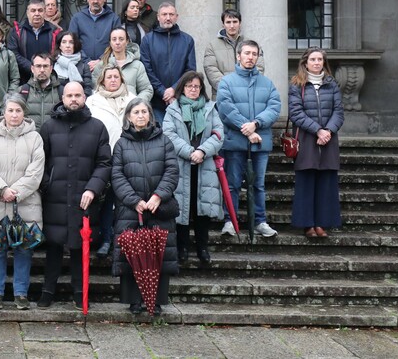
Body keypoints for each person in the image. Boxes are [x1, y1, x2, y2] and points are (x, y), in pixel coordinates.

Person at [36, 81, 111, 309]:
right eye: (69, 95)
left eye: (78, 95)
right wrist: (46, 185)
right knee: (54, 246)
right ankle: (48, 290)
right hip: (55, 197)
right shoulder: (49, 127)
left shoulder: (97, 127)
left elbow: (104, 163)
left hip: (83, 197)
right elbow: (40, 161)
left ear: (84, 98)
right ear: (63, 98)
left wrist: (92, 188)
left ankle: (80, 291)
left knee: (80, 245)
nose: (74, 99)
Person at [111, 98, 180, 316]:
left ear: (150, 115)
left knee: (158, 255)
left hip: (159, 208)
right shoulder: (121, 144)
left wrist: (158, 196)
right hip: (130, 209)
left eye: (144, 111)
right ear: (128, 117)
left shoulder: (164, 141)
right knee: (132, 254)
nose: (140, 116)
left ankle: (155, 301)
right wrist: (134, 200)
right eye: (136, 112)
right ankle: (134, 300)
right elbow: (117, 175)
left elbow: (172, 170)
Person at [0, 94, 44, 310]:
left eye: (18, 110)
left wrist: (17, 191)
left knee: (23, 249)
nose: (14, 115)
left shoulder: (35, 138)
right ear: (3, 112)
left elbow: (36, 170)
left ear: (24, 113)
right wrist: (2, 189)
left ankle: (21, 293)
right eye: (10, 110)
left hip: (25, 203)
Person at [216, 39, 281, 239]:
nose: (250, 57)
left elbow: (274, 107)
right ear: (238, 56)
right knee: (233, 184)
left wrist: (256, 124)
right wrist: (248, 128)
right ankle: (230, 220)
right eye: (247, 53)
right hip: (235, 142)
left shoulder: (267, 83)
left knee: (258, 184)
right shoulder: (226, 82)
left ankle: (260, 221)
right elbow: (226, 109)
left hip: (260, 143)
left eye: (254, 54)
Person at [163, 71, 224, 266]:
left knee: (202, 208)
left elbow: (218, 134)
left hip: (204, 165)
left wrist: (202, 151)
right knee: (182, 207)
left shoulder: (210, 108)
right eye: (189, 86)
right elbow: (169, 135)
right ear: (182, 88)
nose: (193, 89)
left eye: (197, 86)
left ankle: (202, 247)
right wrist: (190, 152)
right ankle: (182, 247)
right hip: (181, 165)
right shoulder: (173, 110)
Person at [289, 48, 344, 238]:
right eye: (313, 59)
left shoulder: (332, 84)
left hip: (328, 139)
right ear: (305, 62)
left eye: (320, 59)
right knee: (306, 181)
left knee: (326, 182)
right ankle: (307, 224)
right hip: (306, 139)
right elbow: (296, 113)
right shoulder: (297, 84)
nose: (317, 62)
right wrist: (317, 130)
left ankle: (322, 223)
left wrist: (328, 130)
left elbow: (338, 112)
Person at [84, 64, 133, 256]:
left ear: (121, 79)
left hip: (129, 158)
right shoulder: (92, 101)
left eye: (116, 76)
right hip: (104, 158)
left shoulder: (132, 100)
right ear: (102, 80)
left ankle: (123, 240)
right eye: (109, 77)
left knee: (125, 202)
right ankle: (105, 239)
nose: (113, 80)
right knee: (106, 201)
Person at [140, 2, 196, 122]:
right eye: (164, 14)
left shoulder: (187, 40)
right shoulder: (147, 40)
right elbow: (146, 70)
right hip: (156, 102)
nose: (168, 17)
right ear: (158, 17)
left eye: (171, 14)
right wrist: (163, 92)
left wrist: (174, 89)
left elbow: (190, 70)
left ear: (177, 17)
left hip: (181, 99)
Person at [203, 9, 265, 99]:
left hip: (248, 96)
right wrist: (229, 88)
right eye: (228, 22)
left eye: (235, 22)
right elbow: (211, 70)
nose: (232, 26)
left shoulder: (253, 45)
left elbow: (259, 67)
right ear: (223, 24)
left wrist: (245, 88)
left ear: (240, 23)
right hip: (223, 96)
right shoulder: (212, 46)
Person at [8, 0, 62, 84]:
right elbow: (13, 53)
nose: (37, 14)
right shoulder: (17, 31)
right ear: (27, 13)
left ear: (45, 12)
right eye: (33, 10)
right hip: (23, 80)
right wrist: (32, 67)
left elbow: (58, 53)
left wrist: (44, 68)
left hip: (49, 80)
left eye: (40, 10)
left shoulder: (55, 31)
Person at [69, 0, 121, 72]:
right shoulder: (77, 18)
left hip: (107, 66)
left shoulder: (113, 19)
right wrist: (87, 61)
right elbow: (72, 42)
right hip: (82, 66)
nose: (95, 1)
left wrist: (101, 60)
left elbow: (116, 43)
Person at [98, 27, 153, 102]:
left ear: (127, 41)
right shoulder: (102, 65)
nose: (117, 42)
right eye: (114, 39)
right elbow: (95, 89)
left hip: (131, 107)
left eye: (121, 39)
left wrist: (135, 103)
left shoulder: (137, 65)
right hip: (107, 107)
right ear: (110, 42)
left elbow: (146, 89)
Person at [19, 52, 62, 129]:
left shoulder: (62, 91)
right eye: (38, 66)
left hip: (53, 135)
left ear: (51, 68)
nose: (42, 70)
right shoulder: (22, 91)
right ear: (32, 69)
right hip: (30, 135)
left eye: (45, 66)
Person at [54, 31, 93, 96]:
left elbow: (88, 89)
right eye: (64, 42)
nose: (67, 46)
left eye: (71, 42)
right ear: (59, 46)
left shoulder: (84, 66)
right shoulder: (52, 64)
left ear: (75, 45)